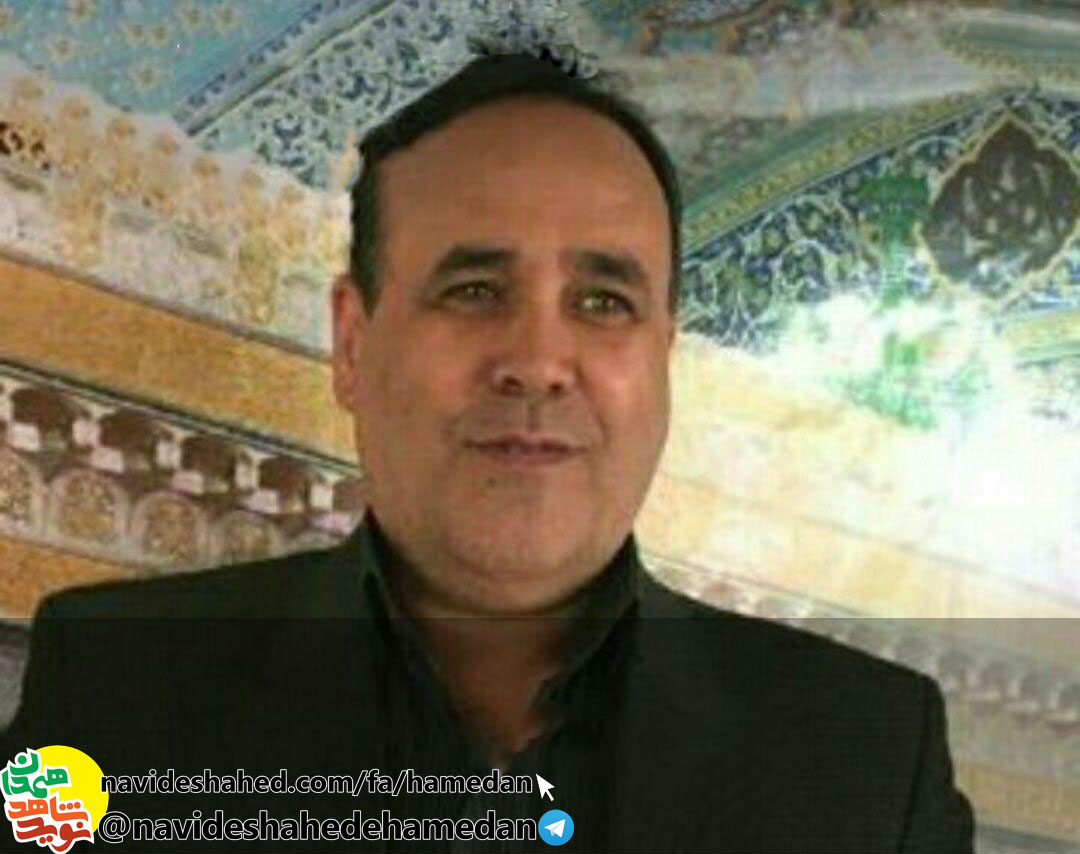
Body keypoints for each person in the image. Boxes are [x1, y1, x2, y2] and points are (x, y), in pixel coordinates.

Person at [1, 51, 973, 852]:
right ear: (352, 342)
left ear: (662, 359)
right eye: (473, 290)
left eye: (604, 302)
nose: (539, 362)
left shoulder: (868, 758)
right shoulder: (114, 689)